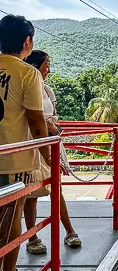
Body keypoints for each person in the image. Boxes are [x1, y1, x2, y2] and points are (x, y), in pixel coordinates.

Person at [0, 15, 50, 271]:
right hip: (13, 158)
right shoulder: (27, 73)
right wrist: (48, 158)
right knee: (11, 217)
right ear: (27, 41)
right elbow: (36, 122)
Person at [23, 50, 81, 252]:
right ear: (35, 66)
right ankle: (32, 238)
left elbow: (53, 115)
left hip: (51, 142)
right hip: (32, 144)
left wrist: (53, 125)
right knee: (31, 193)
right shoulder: (26, 88)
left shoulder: (48, 91)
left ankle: (69, 230)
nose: (48, 69)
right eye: (46, 65)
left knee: (56, 188)